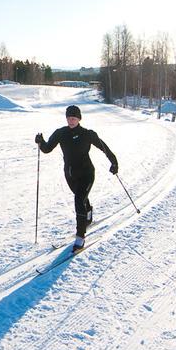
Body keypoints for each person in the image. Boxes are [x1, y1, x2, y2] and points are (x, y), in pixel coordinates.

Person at [35, 105, 118, 252]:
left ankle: (80, 237)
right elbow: (47, 149)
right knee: (81, 198)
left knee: (79, 200)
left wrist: (114, 162)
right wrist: (41, 142)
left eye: (74, 118)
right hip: (70, 174)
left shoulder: (87, 134)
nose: (71, 120)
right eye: (69, 117)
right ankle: (88, 213)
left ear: (79, 118)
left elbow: (104, 147)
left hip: (87, 173)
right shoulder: (60, 133)